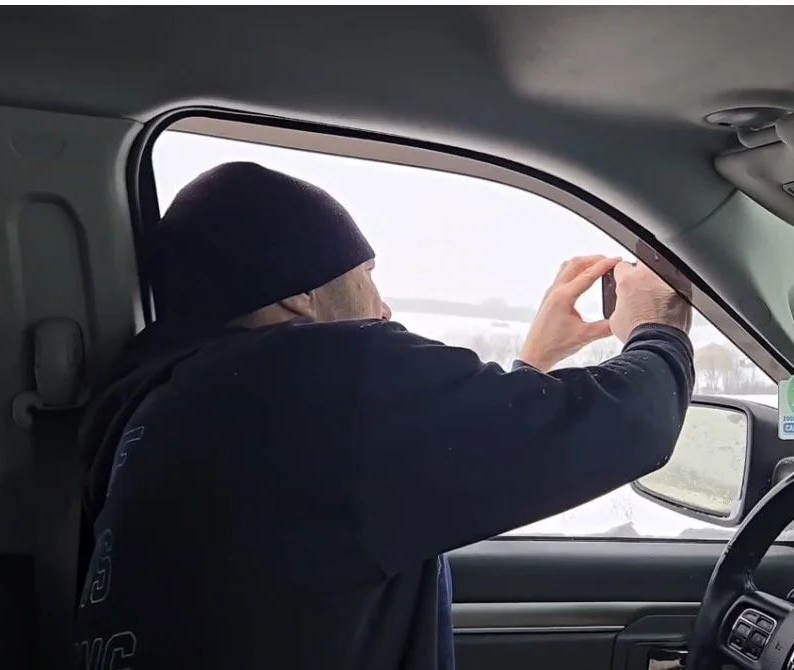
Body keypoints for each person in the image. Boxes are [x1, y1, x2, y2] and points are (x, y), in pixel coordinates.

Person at [74, 162, 695, 670]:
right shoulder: (317, 375)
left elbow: (385, 479)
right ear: (299, 291)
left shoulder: (157, 406)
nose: (382, 302)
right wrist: (655, 327)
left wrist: (531, 367)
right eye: (367, 274)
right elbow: (627, 424)